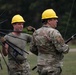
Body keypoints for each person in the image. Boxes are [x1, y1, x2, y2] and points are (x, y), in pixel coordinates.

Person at [30, 9, 69, 75]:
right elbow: (63, 49)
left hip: (40, 67)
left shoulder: (36, 33)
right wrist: (66, 47)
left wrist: (42, 54)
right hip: (52, 68)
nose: (57, 21)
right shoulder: (54, 32)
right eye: (54, 19)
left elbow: (32, 49)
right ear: (49, 20)